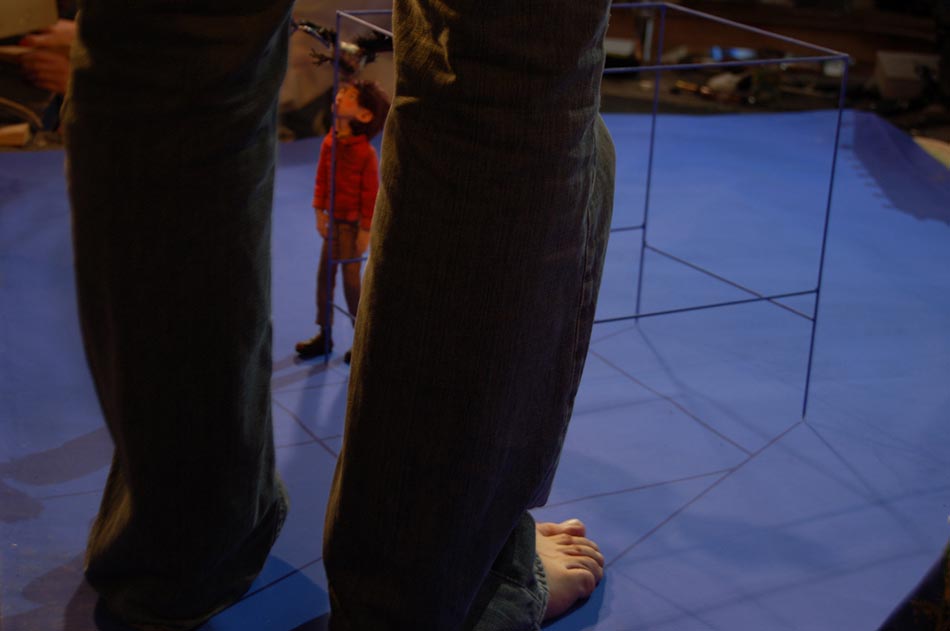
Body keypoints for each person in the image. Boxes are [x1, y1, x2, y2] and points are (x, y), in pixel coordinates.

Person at [64, 0, 613, 629]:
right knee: (499, 62)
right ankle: (431, 589)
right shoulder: (339, 147)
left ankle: (176, 539)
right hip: (356, 237)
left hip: (348, 233)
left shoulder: (355, 152)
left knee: (177, 37)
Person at [295, 80, 389, 362]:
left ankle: (361, 337)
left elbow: (370, 196)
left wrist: (365, 231)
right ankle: (324, 335)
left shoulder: (365, 154)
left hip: (352, 228)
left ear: (364, 115)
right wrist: (319, 212)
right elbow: (321, 181)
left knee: (351, 285)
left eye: (349, 96)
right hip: (333, 225)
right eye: (341, 92)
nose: (339, 96)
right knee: (324, 279)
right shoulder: (329, 143)